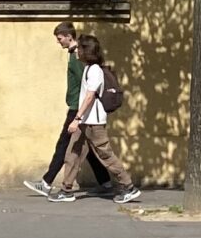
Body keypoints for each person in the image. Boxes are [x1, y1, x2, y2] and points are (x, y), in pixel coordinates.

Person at [49, 33, 141, 204]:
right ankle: (66, 190)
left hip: (93, 123)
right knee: (72, 154)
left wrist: (76, 118)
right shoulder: (88, 69)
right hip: (85, 122)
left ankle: (129, 187)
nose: (76, 51)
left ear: (86, 52)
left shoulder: (95, 71)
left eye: (79, 49)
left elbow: (90, 96)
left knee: (105, 155)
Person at [23, 22, 110, 197]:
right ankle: (106, 182)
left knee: (64, 145)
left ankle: (47, 183)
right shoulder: (74, 54)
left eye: (60, 38)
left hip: (77, 109)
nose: (58, 41)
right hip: (78, 108)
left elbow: (85, 83)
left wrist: (78, 114)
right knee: (88, 148)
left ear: (69, 36)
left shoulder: (77, 56)